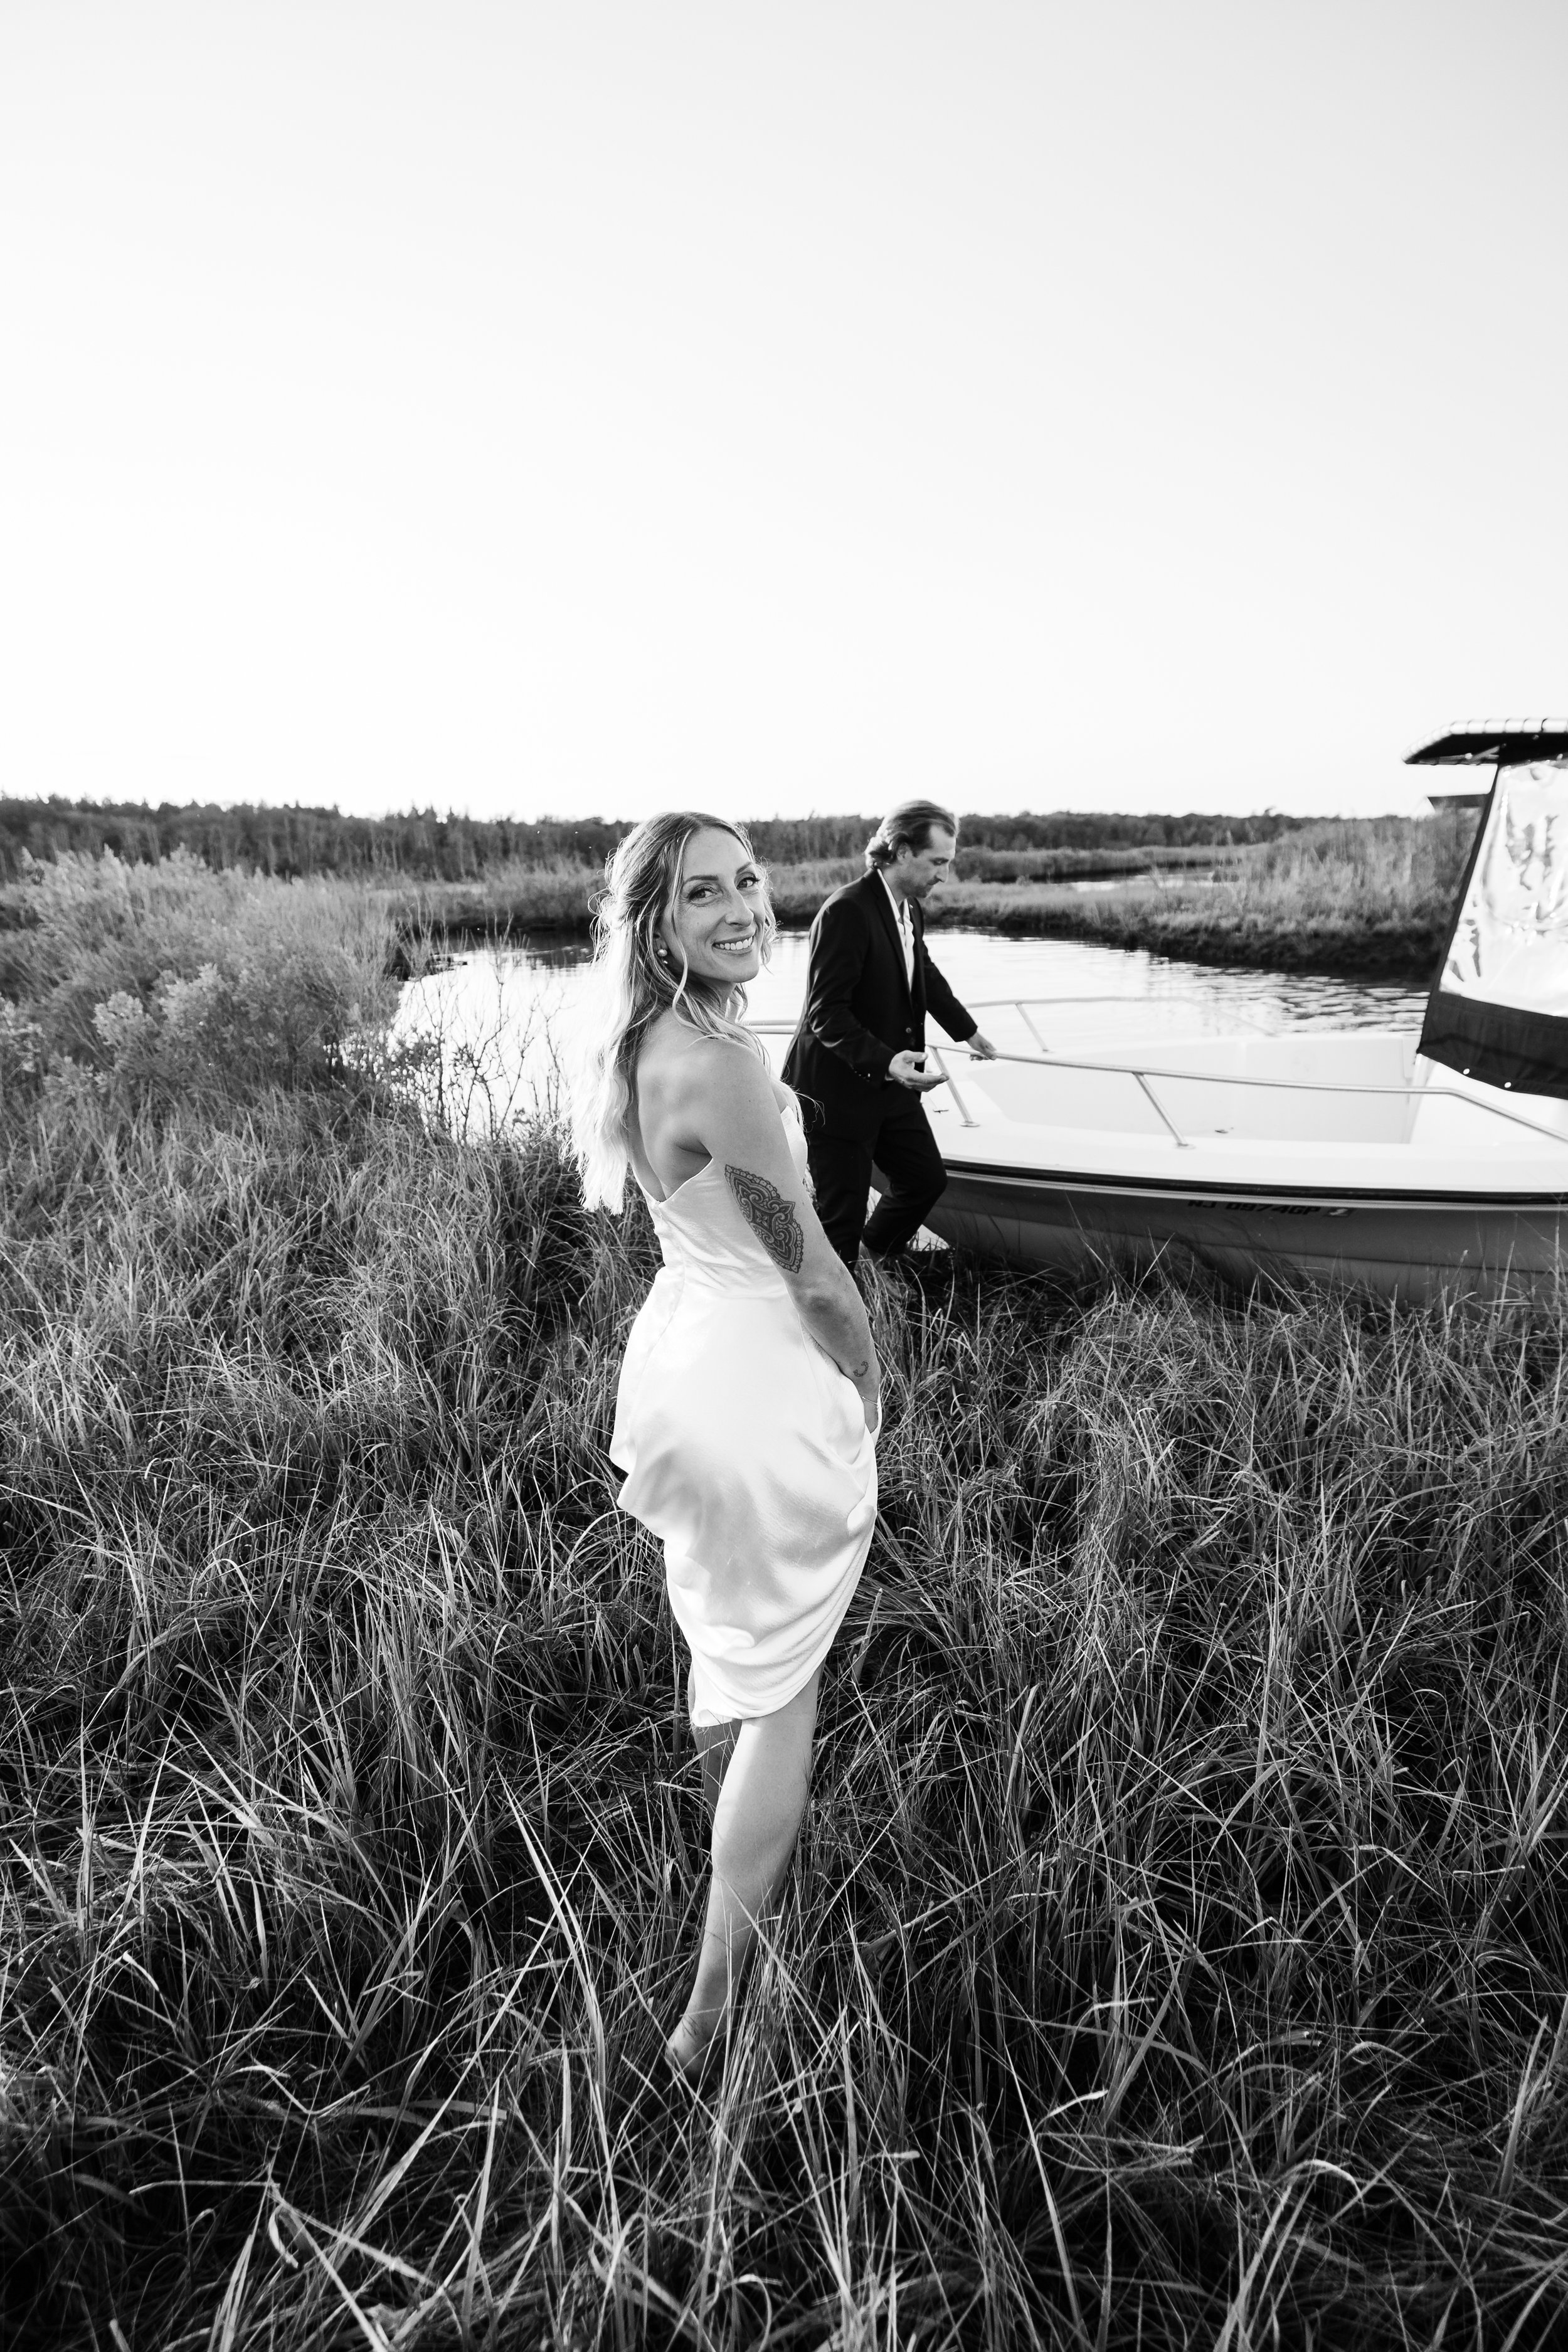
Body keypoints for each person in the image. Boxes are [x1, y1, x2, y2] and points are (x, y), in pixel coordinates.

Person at [571, 812, 880, 2077]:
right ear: (658, 919)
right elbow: (806, 1268)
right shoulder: (726, 1063)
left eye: (750, 880)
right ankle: (710, 2008)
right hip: (754, 1386)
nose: (745, 906)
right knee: (786, 1684)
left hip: (677, 1364)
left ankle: (732, 1848)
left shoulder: (642, 1039)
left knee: (725, 1645)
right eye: (706, 892)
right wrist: (864, 1380)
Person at [782, 800, 998, 1268]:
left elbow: (924, 973)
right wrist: (886, 1061)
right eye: (937, 862)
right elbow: (826, 1014)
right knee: (839, 1218)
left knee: (924, 1181)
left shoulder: (908, 908)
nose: (944, 875)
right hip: (836, 1091)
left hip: (891, 1084)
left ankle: (871, 1257)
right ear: (900, 851)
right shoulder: (848, 911)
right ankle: (833, 1324)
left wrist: (968, 1032)